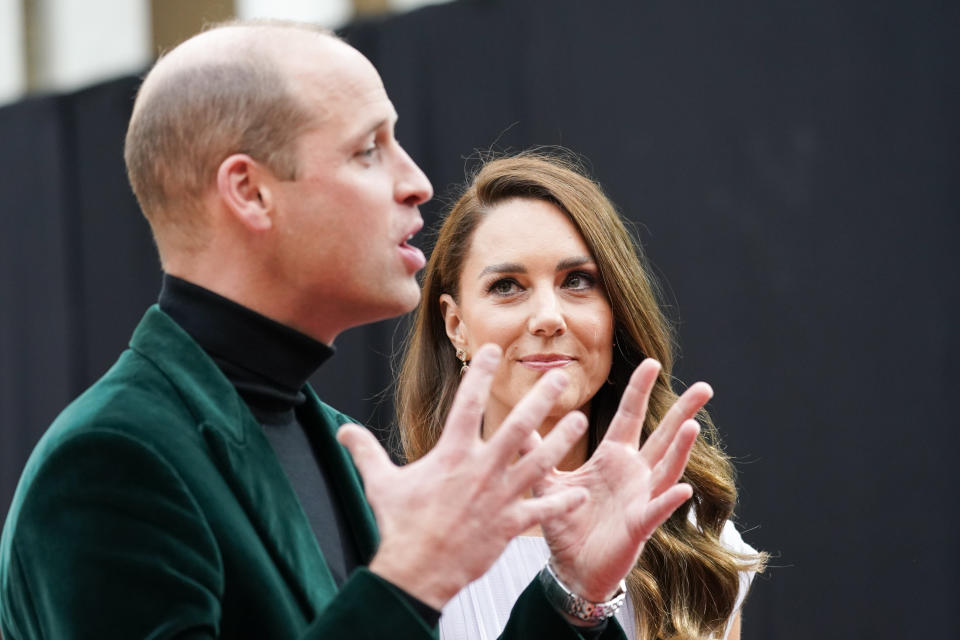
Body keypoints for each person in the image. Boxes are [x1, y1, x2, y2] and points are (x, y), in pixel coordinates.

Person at [0, 22, 702, 640]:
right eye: (370, 150)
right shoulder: (109, 460)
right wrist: (407, 584)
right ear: (249, 191)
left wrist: (570, 595)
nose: (418, 183)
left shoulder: (324, 440)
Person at [396, 152, 768, 640]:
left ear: (616, 310)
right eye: (507, 286)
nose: (548, 316)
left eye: (577, 282)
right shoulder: (390, 545)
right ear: (455, 325)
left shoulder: (696, 544)